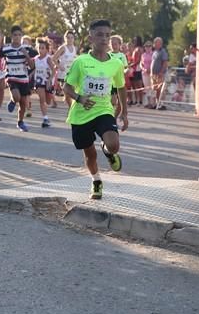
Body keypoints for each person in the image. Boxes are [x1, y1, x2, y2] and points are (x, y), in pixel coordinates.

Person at [63, 19, 128, 200]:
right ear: (91, 37)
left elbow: (121, 87)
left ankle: (108, 151)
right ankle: (96, 180)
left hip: (103, 110)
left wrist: (124, 111)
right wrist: (80, 98)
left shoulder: (116, 63)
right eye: (100, 35)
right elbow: (66, 88)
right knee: (90, 154)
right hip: (81, 115)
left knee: (114, 145)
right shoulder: (81, 62)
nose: (104, 39)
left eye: (107, 35)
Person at [0, 25, 35, 132]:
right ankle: (13, 101)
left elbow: (32, 66)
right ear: (11, 36)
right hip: (11, 77)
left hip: (23, 79)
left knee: (23, 103)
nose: (17, 37)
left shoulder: (27, 48)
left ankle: (20, 122)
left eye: (19, 35)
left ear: (21, 36)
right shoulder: (6, 48)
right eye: (15, 35)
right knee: (17, 97)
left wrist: (26, 55)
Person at [51, 30, 78, 107]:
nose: (70, 39)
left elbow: (75, 59)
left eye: (71, 37)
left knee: (72, 93)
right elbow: (53, 59)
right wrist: (59, 66)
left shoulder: (75, 48)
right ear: (65, 38)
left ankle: (70, 106)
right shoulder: (63, 48)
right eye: (68, 37)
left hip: (72, 73)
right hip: (63, 74)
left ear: (74, 39)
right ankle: (71, 109)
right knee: (68, 93)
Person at [33, 37, 55, 128]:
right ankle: (45, 118)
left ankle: (46, 117)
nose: (40, 50)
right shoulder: (35, 59)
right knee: (42, 100)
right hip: (39, 82)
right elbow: (34, 69)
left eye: (42, 48)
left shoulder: (48, 59)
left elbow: (54, 71)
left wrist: (50, 79)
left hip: (48, 82)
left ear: (46, 49)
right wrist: (30, 76)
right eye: (39, 48)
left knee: (48, 101)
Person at [149, 37, 169, 110]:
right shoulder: (154, 52)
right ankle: (155, 104)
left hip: (159, 74)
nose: (155, 44)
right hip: (153, 74)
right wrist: (151, 72)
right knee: (154, 89)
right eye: (155, 43)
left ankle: (161, 104)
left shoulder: (163, 52)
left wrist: (161, 72)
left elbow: (165, 62)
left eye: (157, 43)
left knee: (160, 89)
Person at [128, 36, 144, 106]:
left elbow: (138, 60)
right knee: (134, 86)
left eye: (135, 40)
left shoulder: (139, 49)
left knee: (139, 85)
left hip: (138, 68)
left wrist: (131, 65)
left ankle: (140, 101)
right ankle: (136, 100)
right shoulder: (135, 49)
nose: (134, 41)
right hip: (134, 68)